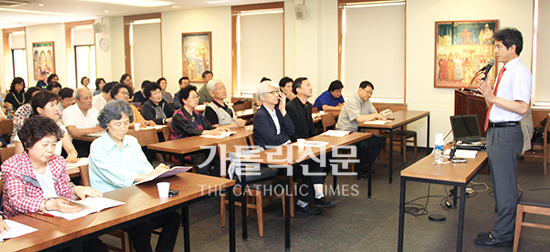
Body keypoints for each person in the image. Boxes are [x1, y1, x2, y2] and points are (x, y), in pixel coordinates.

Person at [1, 115, 108, 252]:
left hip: (59, 220)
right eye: (45, 145)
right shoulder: (13, 166)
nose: (50, 150)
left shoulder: (57, 161)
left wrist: (75, 191)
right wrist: (49, 204)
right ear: (28, 144)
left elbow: (64, 192)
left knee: (95, 246)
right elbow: (18, 200)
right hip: (28, 226)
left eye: (53, 144)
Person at [88, 100, 181, 252]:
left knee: (174, 217)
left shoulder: (131, 141)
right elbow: (115, 175)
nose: (123, 128)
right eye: (118, 124)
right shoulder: (98, 146)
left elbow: (143, 164)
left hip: (134, 198)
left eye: (126, 123)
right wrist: (145, 177)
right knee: (142, 225)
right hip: (111, 203)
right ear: (106, 124)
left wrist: (153, 173)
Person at [474, 28, 532, 248]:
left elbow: (522, 107)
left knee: (506, 185)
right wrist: (488, 93)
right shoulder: (505, 72)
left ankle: (504, 234)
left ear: (512, 47)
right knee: (498, 184)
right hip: (497, 130)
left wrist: (492, 96)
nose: (495, 51)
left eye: (499, 46)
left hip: (507, 133)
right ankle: (502, 228)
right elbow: (495, 106)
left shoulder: (519, 72)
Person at [285, 77, 337, 211]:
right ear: (298, 90)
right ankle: (309, 199)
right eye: (307, 85)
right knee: (314, 162)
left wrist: (319, 141)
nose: (311, 87)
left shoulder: (308, 105)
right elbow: (292, 133)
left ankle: (311, 196)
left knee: (328, 156)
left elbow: (311, 129)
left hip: (308, 144)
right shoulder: (290, 107)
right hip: (296, 147)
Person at [171, 85, 226, 176]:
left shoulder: (197, 114)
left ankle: (211, 182)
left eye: (197, 97)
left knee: (223, 160)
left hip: (201, 147)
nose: (196, 99)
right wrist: (208, 132)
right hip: (187, 149)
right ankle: (202, 185)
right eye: (193, 97)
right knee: (203, 163)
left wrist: (218, 129)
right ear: (184, 100)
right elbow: (190, 131)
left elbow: (208, 126)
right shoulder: (178, 116)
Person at [335, 80, 386, 178]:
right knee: (364, 144)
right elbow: (359, 119)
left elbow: (374, 113)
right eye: (367, 92)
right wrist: (375, 115)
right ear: (360, 89)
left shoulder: (366, 101)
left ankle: (366, 165)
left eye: (371, 93)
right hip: (346, 132)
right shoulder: (352, 100)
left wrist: (376, 115)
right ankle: (360, 169)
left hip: (359, 131)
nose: (369, 95)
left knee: (380, 140)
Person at [13, 91, 79, 163]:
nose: (57, 108)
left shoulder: (59, 126)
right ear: (40, 110)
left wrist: (71, 156)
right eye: (51, 105)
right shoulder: (27, 129)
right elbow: (19, 160)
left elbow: (71, 150)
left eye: (56, 104)